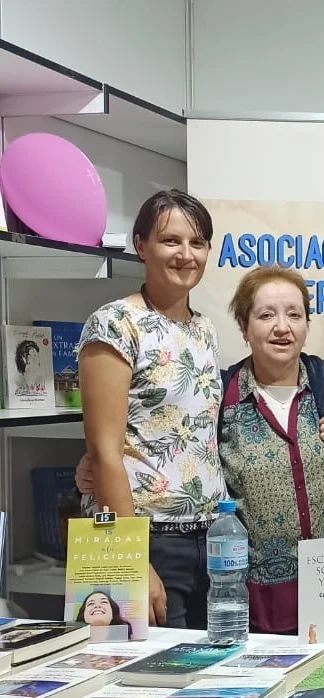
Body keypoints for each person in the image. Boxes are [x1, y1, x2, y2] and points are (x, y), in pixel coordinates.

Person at [77, 189, 228, 630]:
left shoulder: (203, 328)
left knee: (208, 681)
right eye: (171, 241)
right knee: (156, 683)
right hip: (148, 535)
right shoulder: (114, 324)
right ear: (141, 245)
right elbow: (104, 449)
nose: (186, 254)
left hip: (210, 538)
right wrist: (133, 562)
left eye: (197, 243)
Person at [218, 266, 324, 634]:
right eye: (266, 315)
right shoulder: (224, 395)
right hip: (255, 597)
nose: (282, 327)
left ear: (307, 325)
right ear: (245, 328)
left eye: (294, 315)